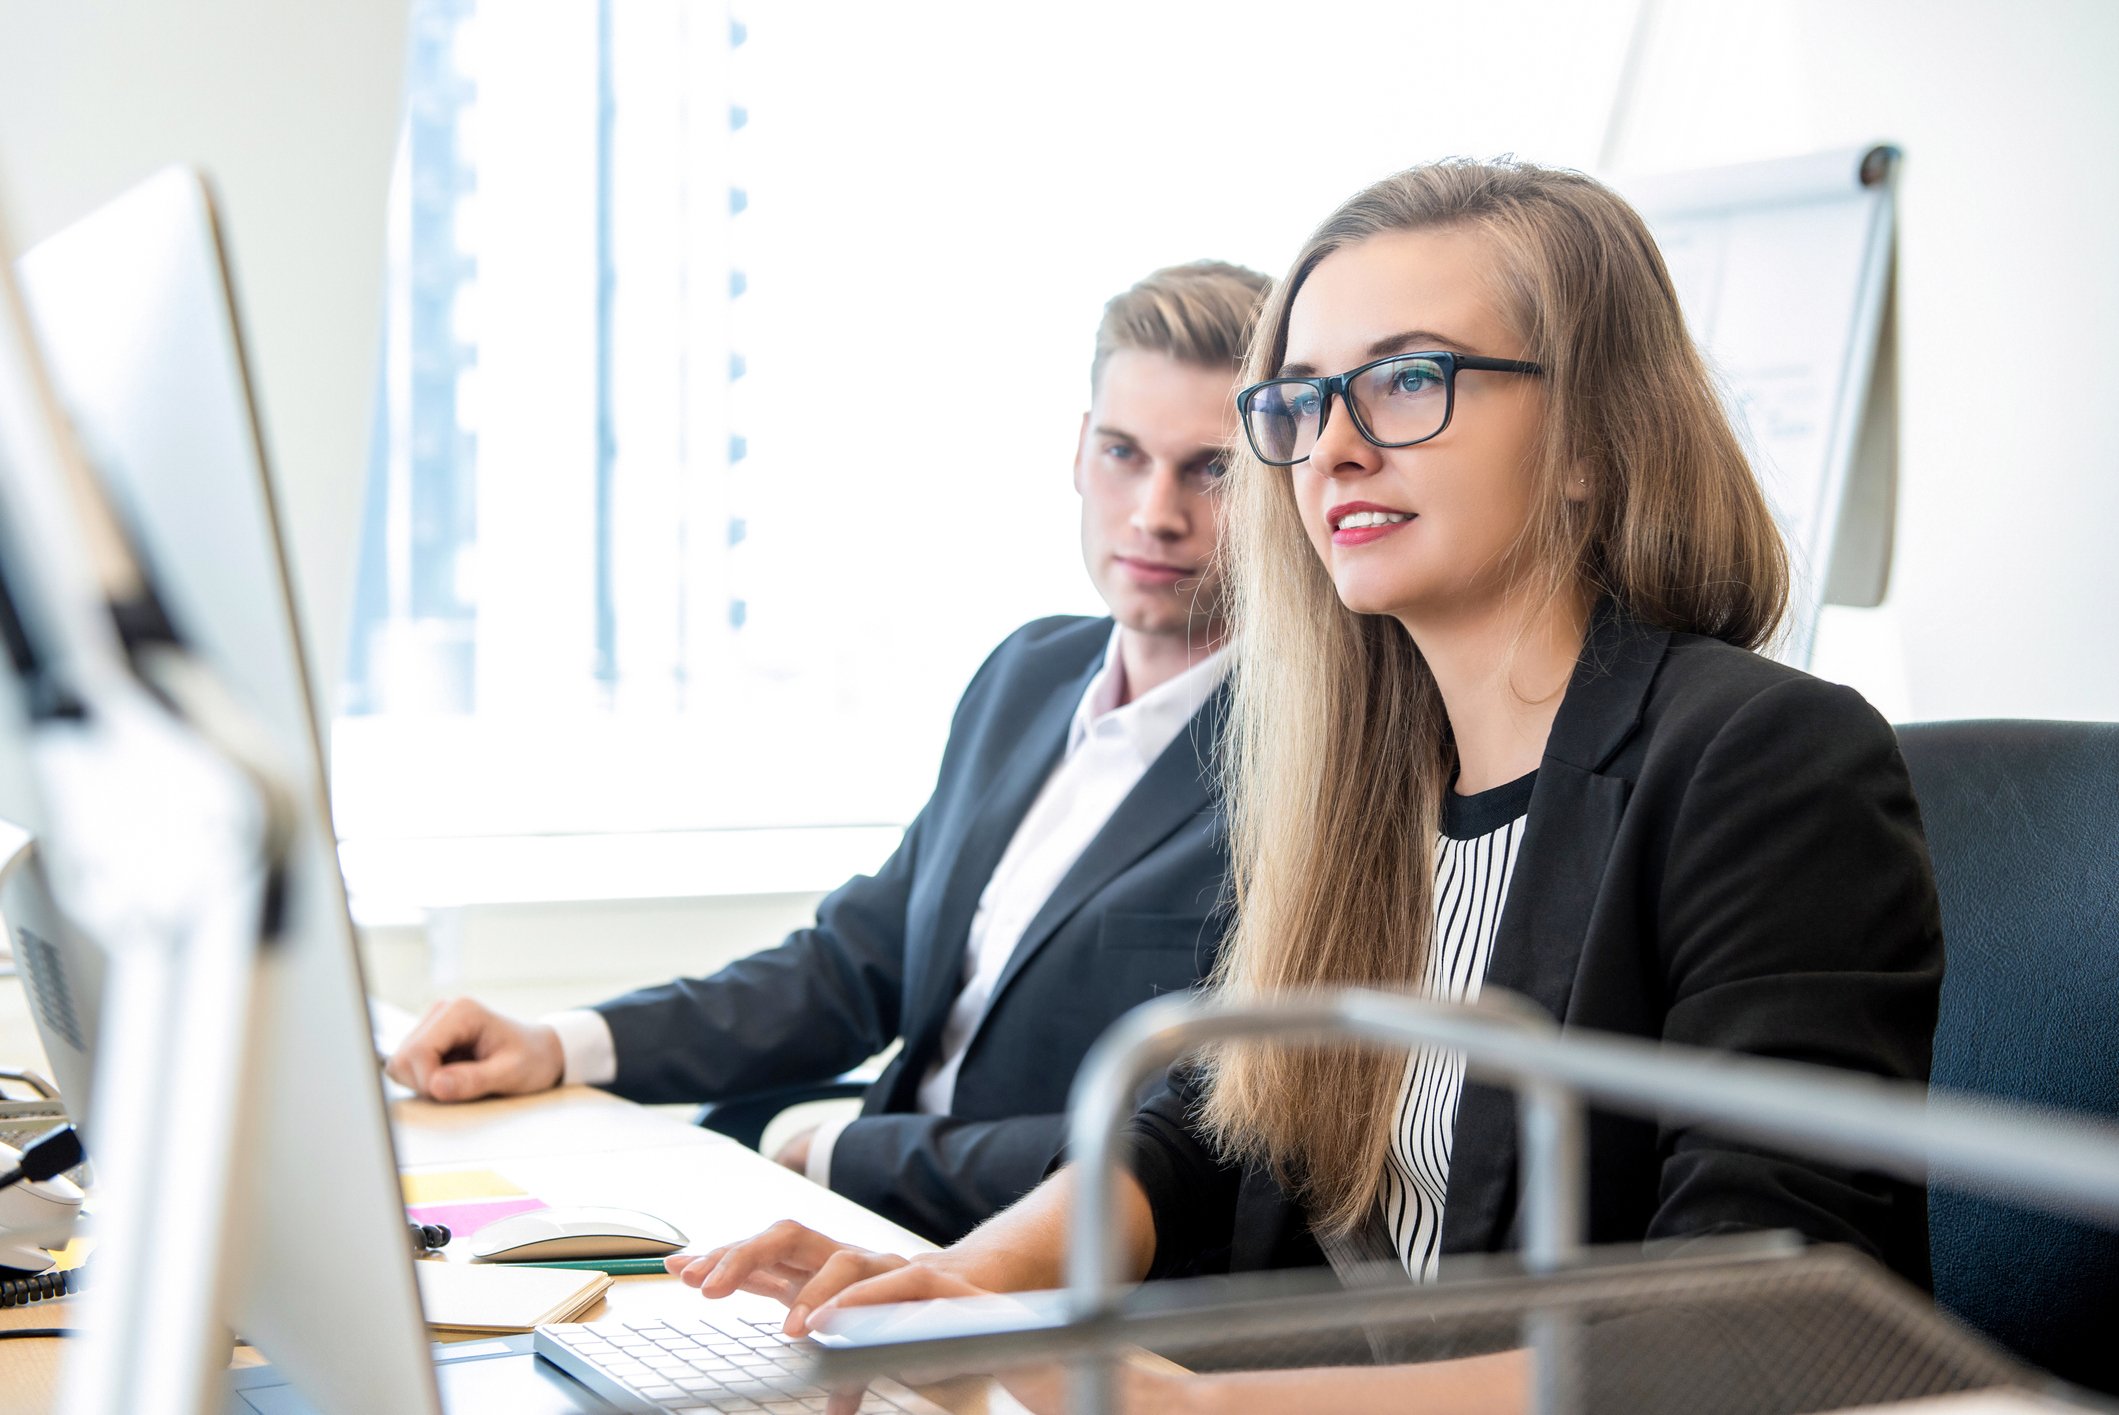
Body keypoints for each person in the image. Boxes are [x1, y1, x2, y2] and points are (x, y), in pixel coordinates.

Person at [668, 159, 1946, 1411]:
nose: (1329, 447)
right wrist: (954, 1287)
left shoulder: (1763, 758)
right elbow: (1214, 1124)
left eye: (1406, 380)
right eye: (1299, 398)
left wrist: (1198, 1408)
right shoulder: (1364, 771)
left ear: (1589, 443)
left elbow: (1766, 1325)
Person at [386, 260, 1273, 1244]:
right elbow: (855, 964)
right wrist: (557, 1042)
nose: (1154, 511)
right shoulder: (1027, 673)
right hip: (863, 1224)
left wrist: (840, 1150)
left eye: (1212, 469)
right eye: (1122, 452)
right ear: (1076, 450)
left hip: (1031, 1269)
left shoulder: (1301, 767)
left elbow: (1200, 1141)